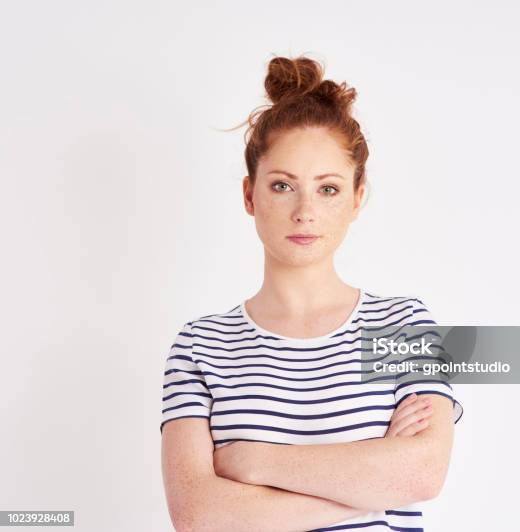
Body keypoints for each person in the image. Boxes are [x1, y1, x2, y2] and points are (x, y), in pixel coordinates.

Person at [160, 54, 463, 532]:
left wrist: (253, 462)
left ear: (358, 197)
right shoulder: (201, 345)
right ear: (249, 195)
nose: (305, 211)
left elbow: (422, 473)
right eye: (283, 185)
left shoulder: (403, 326)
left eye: (328, 189)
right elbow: (199, 516)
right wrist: (371, 486)